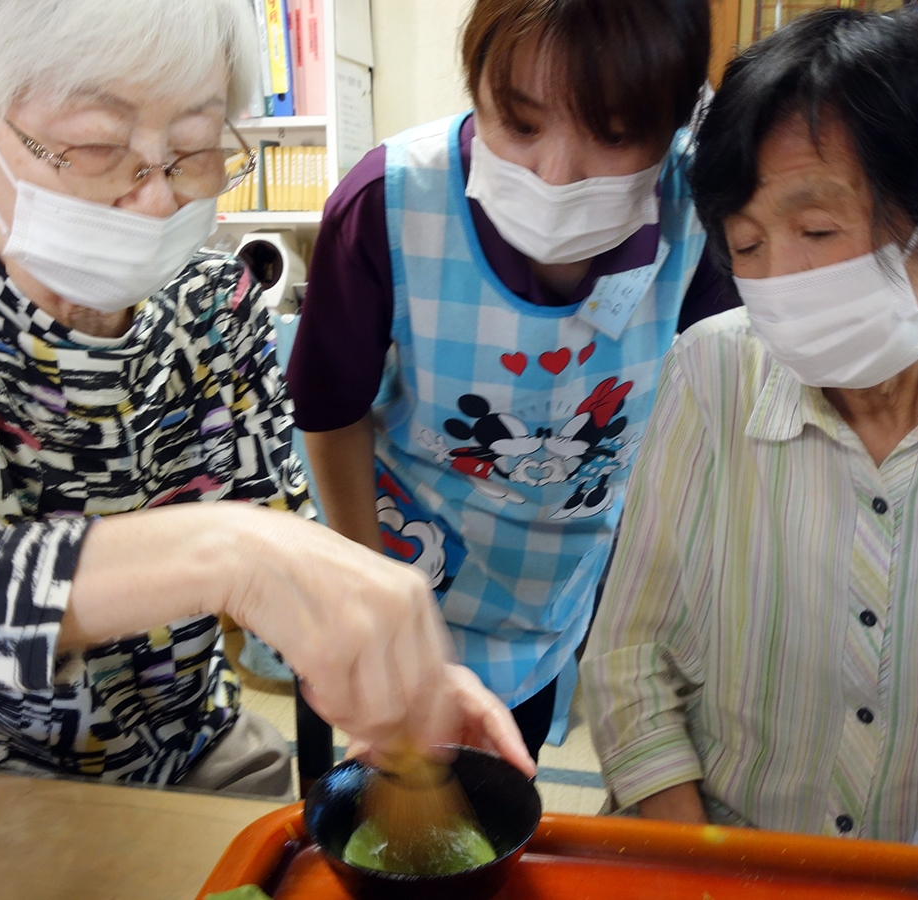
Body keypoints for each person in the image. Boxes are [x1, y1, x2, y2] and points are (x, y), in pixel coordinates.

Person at [0, 0, 533, 796]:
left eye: (193, 150)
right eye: (97, 148)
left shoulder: (213, 303)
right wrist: (220, 554)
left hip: (193, 757)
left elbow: (281, 535)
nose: (157, 200)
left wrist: (385, 664)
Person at [581, 6, 918, 867]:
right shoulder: (712, 370)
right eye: (747, 244)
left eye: (819, 230)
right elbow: (628, 655)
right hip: (723, 851)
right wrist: (704, 866)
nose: (779, 281)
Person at [285, 0, 736, 760]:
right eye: (519, 125)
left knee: (497, 796)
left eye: (616, 135)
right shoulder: (386, 203)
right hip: (392, 563)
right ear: (478, 88)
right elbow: (330, 413)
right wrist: (369, 594)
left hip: (553, 595)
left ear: (676, 122)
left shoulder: (708, 212)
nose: (555, 177)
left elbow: (706, 418)